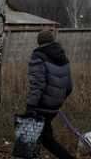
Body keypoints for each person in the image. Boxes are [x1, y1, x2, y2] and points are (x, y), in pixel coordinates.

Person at [25, 29, 73, 159]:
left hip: (40, 106)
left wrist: (30, 106)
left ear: (39, 42)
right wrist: (57, 100)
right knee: (36, 136)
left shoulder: (38, 57)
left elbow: (37, 85)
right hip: (54, 107)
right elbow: (69, 87)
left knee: (45, 139)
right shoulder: (64, 58)